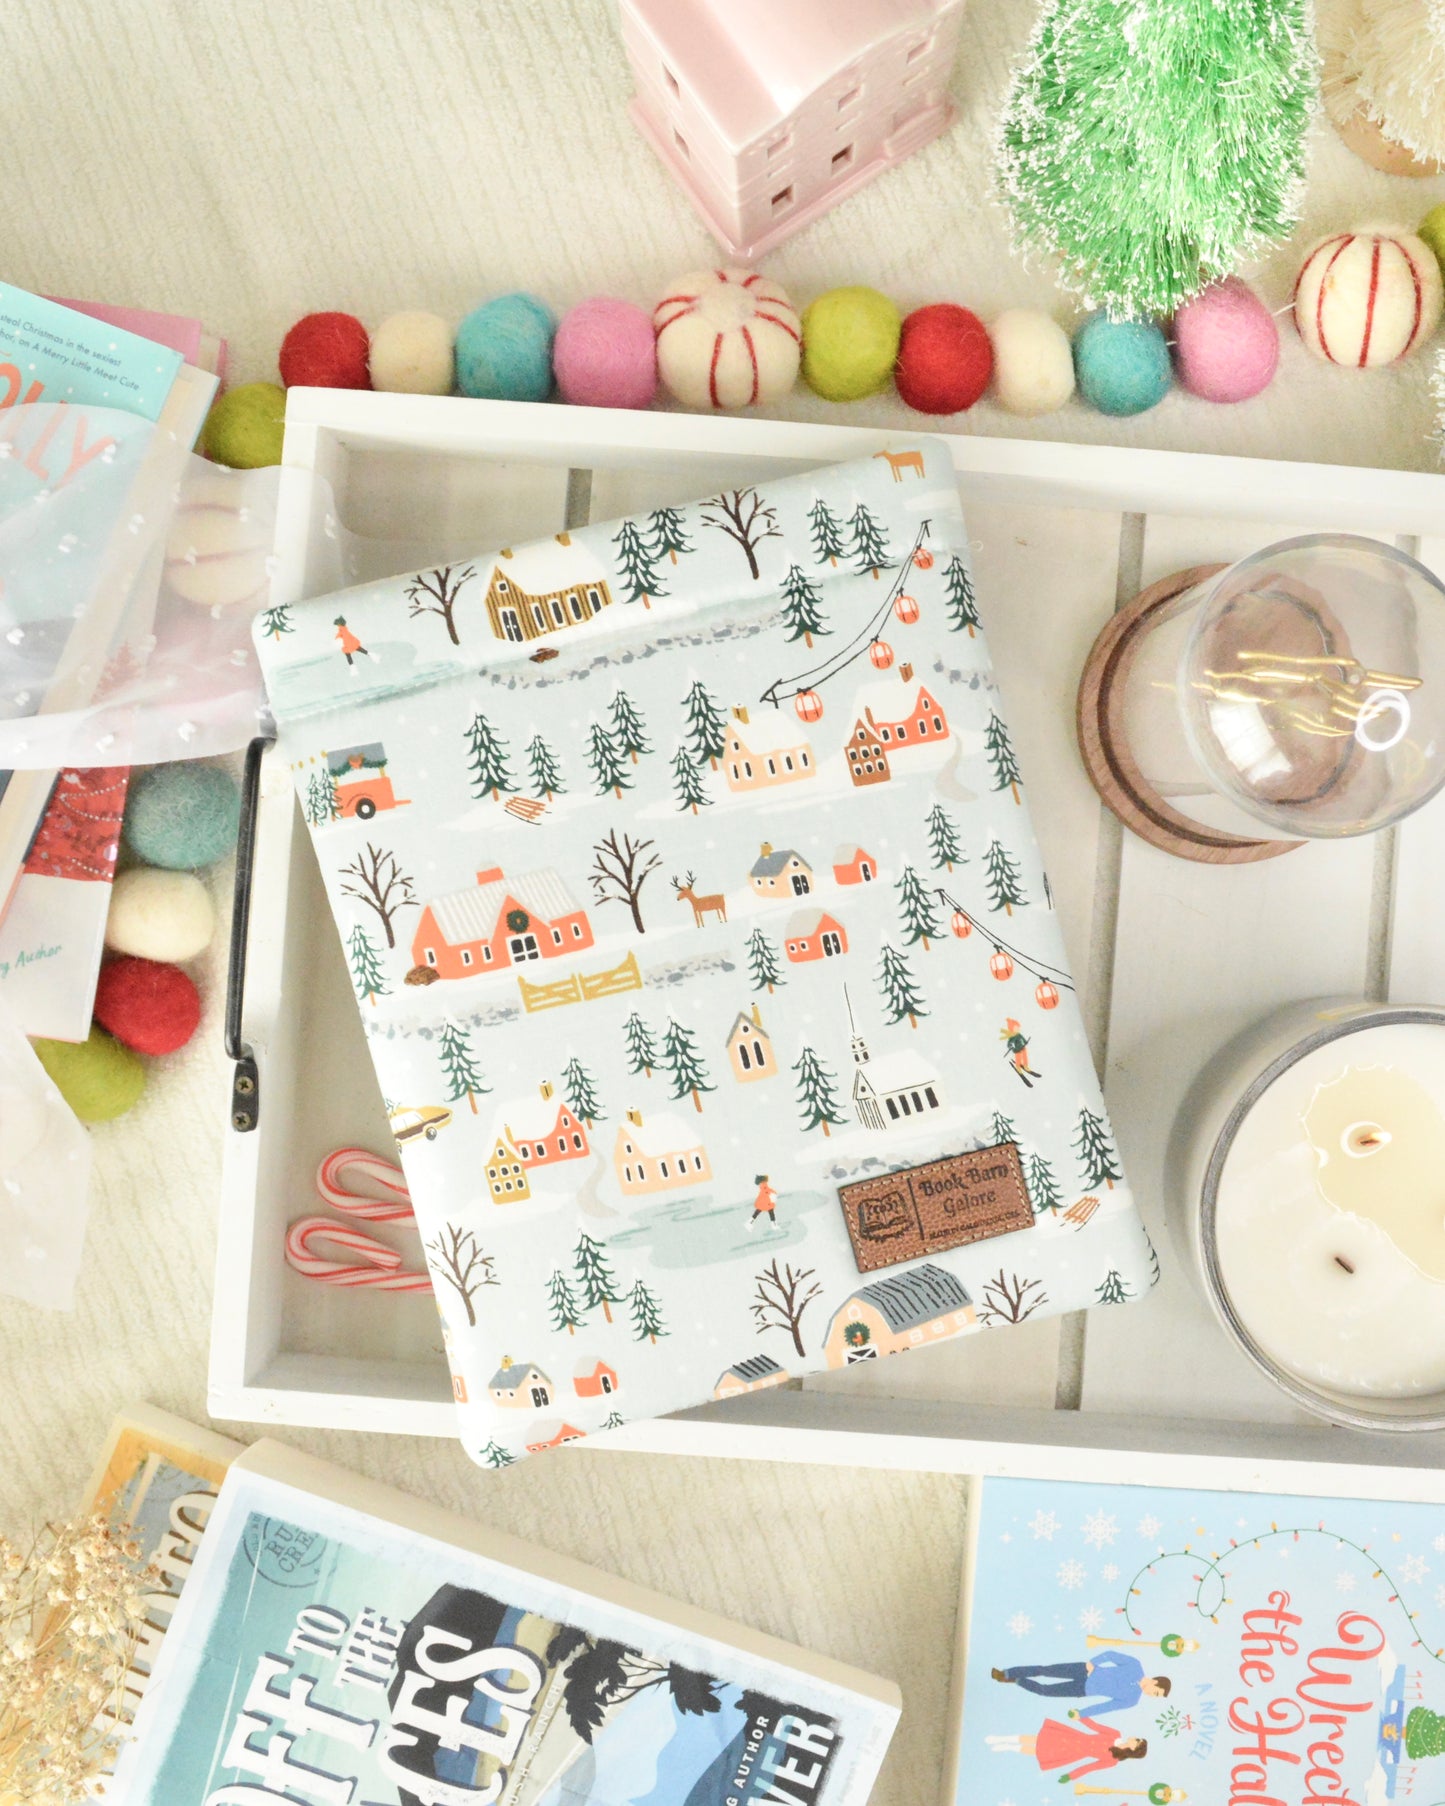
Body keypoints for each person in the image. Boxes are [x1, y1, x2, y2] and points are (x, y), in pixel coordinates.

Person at [992, 1650, 1169, 1718]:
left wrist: (1082, 1714)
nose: (1152, 1695)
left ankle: (1016, 1680)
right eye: (1156, 1692)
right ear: (1155, 1681)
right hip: (1083, 1670)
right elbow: (1110, 1655)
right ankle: (1006, 1673)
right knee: (1044, 1670)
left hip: (1083, 1689)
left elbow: (1105, 1707)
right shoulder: (1135, 1665)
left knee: (1045, 1691)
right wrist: (1093, 1663)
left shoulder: (1132, 1700)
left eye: (1156, 1696)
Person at [985, 1721, 1147, 1782]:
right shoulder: (1115, 1734)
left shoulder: (1112, 1761)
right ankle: (1003, 1738)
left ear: (1134, 1748)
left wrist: (1071, 1776)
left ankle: (1009, 1747)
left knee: (1039, 1750)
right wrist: (1080, 1716)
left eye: (1137, 1741)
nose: (1135, 1738)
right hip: (1074, 1737)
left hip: (1073, 1752)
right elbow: (1096, 1726)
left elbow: (1090, 1767)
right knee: (1038, 1739)